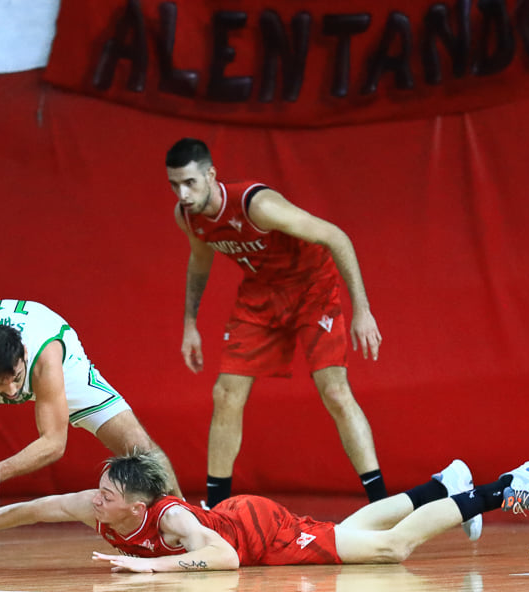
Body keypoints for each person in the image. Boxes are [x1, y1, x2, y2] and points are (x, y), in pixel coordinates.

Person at [163, 140, 459, 532]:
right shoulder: (188, 216)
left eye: (190, 183)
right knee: (225, 394)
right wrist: (190, 324)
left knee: (334, 392)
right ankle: (216, 515)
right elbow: (200, 263)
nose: (183, 194)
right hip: (261, 295)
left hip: (311, 288)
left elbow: (336, 237)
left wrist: (362, 310)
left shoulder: (257, 205)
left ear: (211, 175)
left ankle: (382, 508)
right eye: (174, 185)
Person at [0, 299, 182, 574]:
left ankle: (185, 518)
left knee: (138, 445)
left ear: (24, 354)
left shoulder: (46, 356)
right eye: (2, 384)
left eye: (16, 380)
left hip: (57, 368)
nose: (13, 392)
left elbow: (54, 443)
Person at [0, 452, 529, 571]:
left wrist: (153, 569)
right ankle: (442, 486)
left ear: (139, 505)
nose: (97, 500)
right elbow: (28, 510)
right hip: (243, 518)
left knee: (389, 550)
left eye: (108, 496)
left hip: (254, 532)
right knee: (348, 532)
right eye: (98, 491)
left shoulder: (170, 519)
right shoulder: (93, 506)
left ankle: (506, 487)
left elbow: (226, 558)